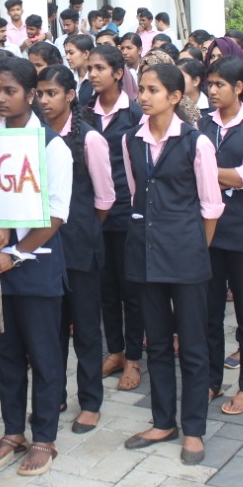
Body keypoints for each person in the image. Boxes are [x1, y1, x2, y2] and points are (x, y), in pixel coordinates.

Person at [120, 63, 223, 465]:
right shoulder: (132, 140)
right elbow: (136, 194)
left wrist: (195, 248)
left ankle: (193, 428)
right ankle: (163, 421)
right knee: (158, 343)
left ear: (175, 97)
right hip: (145, 254)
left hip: (186, 257)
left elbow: (211, 206)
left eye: (153, 90)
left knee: (193, 346)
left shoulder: (196, 143)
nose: (143, 97)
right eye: (141, 89)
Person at [0, 58, 73, 478]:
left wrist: (15, 251)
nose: (0, 98)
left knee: (45, 356)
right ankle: (13, 431)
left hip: (35, 265)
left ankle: (44, 438)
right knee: (6, 355)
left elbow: (56, 214)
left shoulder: (51, 146)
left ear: (31, 95)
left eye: (9, 91)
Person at [36, 66, 114, 435]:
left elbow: (105, 199)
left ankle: (91, 401)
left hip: (80, 245)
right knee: (50, 331)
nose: (44, 100)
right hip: (43, 245)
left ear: (70, 95)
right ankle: (54, 395)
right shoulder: (34, 136)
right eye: (40, 93)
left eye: (52, 93)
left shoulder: (90, 139)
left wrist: (82, 227)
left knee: (85, 329)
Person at [201, 57, 243, 415]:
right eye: (209, 84)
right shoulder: (202, 123)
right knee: (209, 311)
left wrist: (205, 169)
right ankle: (212, 378)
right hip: (209, 230)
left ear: (239, 88)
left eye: (220, 85)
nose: (212, 91)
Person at [87, 44, 146, 391]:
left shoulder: (135, 113)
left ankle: (135, 357)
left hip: (127, 210)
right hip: (97, 212)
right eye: (90, 69)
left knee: (131, 289)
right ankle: (116, 350)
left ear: (118, 73)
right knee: (105, 287)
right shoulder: (86, 113)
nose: (93, 74)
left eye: (99, 68)